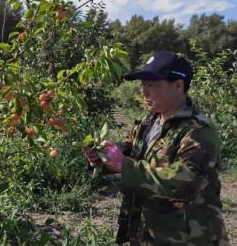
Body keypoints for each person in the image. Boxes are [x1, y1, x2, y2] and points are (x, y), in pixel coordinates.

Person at [85, 51, 229, 245]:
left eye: (151, 85)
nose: (144, 91)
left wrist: (123, 166)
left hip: (188, 237)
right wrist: (102, 159)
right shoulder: (150, 120)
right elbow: (130, 154)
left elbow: (186, 182)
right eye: (143, 84)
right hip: (149, 232)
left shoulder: (198, 130)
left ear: (178, 86)